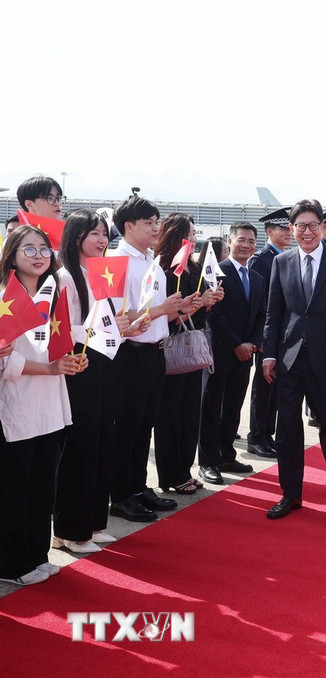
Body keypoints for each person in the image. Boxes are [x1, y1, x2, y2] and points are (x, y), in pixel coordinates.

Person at [261, 199, 326, 519]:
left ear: (322, 227)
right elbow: (274, 313)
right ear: (292, 229)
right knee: (288, 426)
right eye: (300, 226)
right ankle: (291, 493)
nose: (307, 231)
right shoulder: (282, 262)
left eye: (313, 225)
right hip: (290, 358)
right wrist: (270, 354)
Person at [0, 226, 84, 585]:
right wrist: (49, 368)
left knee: (40, 487)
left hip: (50, 406)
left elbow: (69, 337)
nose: (38, 255)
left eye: (44, 249)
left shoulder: (53, 294)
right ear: (12, 255)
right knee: (14, 491)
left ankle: (36, 554)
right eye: (29, 249)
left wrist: (72, 359)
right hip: (16, 407)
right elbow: (5, 363)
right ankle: (11, 565)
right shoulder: (5, 296)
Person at [54, 210, 136, 553]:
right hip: (79, 362)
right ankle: (71, 530)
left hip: (105, 361)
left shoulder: (103, 272)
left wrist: (124, 326)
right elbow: (65, 325)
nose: (102, 240)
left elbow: (113, 319)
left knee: (105, 439)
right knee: (82, 445)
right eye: (95, 234)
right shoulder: (65, 276)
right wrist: (100, 329)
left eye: (105, 234)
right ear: (76, 238)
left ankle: (94, 523)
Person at [109, 194, 195, 523]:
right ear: (128, 226)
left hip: (156, 352)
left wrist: (182, 307)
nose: (155, 228)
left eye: (156, 222)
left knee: (145, 425)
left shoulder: (152, 260)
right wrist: (162, 309)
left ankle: (137, 485)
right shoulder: (117, 261)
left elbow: (158, 314)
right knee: (127, 426)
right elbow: (116, 315)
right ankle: (120, 494)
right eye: (148, 222)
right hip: (130, 356)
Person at [153, 213, 222, 494]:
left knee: (190, 414)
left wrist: (210, 300)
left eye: (195, 234)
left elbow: (198, 306)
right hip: (171, 348)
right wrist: (197, 304)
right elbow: (166, 315)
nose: (194, 240)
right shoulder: (164, 270)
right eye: (190, 234)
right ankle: (171, 474)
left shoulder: (194, 268)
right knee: (170, 415)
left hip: (194, 349)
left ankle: (184, 468)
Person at [198, 221, 265, 485]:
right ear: (230, 241)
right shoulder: (217, 272)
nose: (246, 245)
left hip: (246, 354)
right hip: (219, 351)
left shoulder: (258, 278)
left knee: (234, 407)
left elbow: (262, 314)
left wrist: (253, 342)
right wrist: (237, 344)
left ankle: (227, 454)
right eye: (241, 240)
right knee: (211, 407)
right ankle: (208, 461)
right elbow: (214, 314)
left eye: (251, 241)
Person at [247, 207, 291, 459]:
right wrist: (262, 336)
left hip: (283, 334)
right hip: (267, 335)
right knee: (263, 387)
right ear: (269, 231)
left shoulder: (286, 257)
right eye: (281, 228)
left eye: (288, 227)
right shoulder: (262, 260)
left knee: (275, 387)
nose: (288, 232)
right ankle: (256, 436)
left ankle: (267, 434)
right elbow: (260, 303)